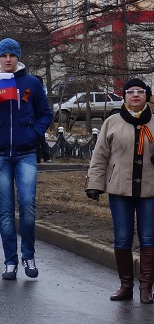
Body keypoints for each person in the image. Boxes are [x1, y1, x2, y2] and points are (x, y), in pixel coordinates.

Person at [0, 38, 52, 280]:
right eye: (4, 55)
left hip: (25, 153)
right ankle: (10, 261)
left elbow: (45, 113)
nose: (8, 59)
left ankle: (29, 256)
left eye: (12, 55)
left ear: (18, 58)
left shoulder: (32, 83)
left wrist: (34, 133)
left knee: (27, 205)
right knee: (5, 212)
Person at [86, 78, 154, 303]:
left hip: (150, 190)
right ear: (124, 96)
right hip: (120, 189)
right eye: (131, 92)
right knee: (122, 239)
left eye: (140, 91)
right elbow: (100, 155)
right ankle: (126, 285)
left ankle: (146, 287)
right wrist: (95, 183)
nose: (136, 95)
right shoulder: (112, 122)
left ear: (147, 95)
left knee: (148, 238)